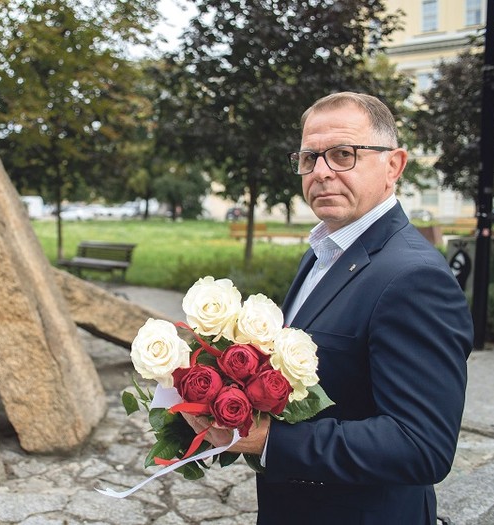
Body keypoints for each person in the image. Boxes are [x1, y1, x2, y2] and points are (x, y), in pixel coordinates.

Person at [184, 92, 473, 524]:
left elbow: (421, 446)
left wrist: (268, 440)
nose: (320, 172)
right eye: (309, 157)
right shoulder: (325, 251)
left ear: (393, 165)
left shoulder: (414, 277)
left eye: (342, 154)